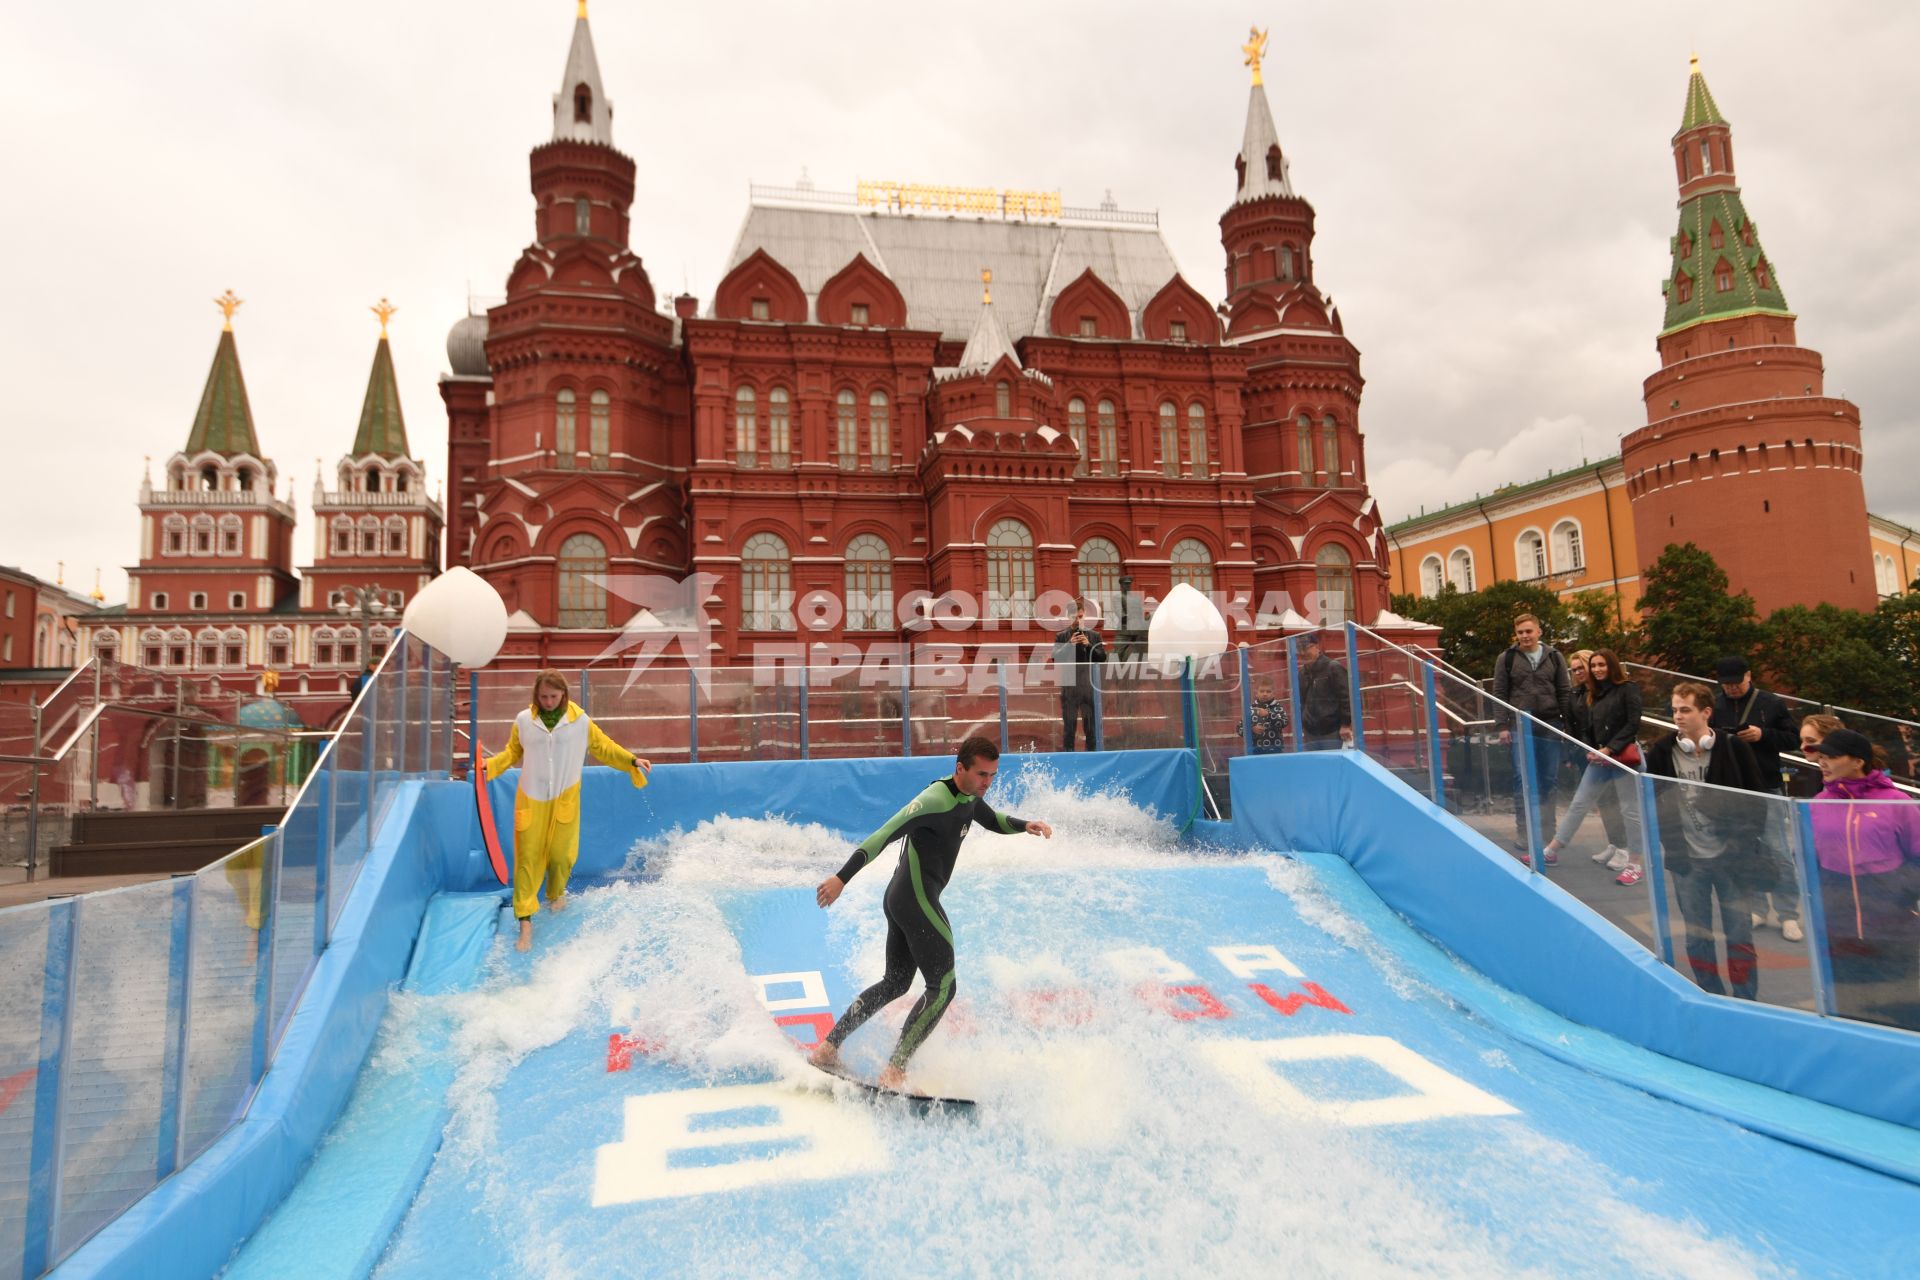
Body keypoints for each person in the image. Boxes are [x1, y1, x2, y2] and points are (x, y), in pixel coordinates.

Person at [810, 736, 1053, 1089]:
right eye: (982, 774)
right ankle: (894, 1072)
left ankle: (827, 1049)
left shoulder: (969, 795)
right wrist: (841, 878)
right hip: (914, 901)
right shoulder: (934, 800)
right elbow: (884, 834)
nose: (987, 782)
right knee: (943, 987)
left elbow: (990, 818)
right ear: (960, 769)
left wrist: (1023, 824)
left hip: (901, 899)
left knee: (895, 983)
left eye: (992, 775)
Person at [485, 670, 651, 951]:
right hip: (531, 799)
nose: (548, 701)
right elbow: (512, 752)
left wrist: (632, 760)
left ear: (563, 694)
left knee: (562, 856)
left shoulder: (580, 722)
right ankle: (525, 924)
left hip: (565, 799)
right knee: (528, 860)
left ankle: (555, 893)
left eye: (553, 696)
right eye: (543, 696)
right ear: (536, 696)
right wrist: (488, 768)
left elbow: (604, 747)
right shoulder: (524, 721)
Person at [1646, 681, 1772, 999]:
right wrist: (1672, 846)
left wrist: (1740, 844)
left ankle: (1746, 998)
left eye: (1685, 710)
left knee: (1739, 933)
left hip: (1732, 858)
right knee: (1696, 936)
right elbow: (1658, 804)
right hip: (1687, 861)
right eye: (1674, 710)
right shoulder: (1662, 752)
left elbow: (1757, 800)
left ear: (1706, 712)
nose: (1678, 716)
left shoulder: (1733, 748)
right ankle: (1711, 995)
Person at [1806, 727, 1920, 1030]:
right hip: (1837, 927)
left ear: (1858, 761)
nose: (1823, 763)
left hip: (1894, 930)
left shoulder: (1897, 802)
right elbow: (1808, 860)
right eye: (1821, 757)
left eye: (1832, 757)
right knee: (1847, 1009)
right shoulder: (1818, 803)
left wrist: (1899, 891)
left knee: (1905, 1009)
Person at [1712, 656, 1804, 941]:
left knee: (1777, 850)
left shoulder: (1771, 703)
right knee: (1744, 851)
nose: (1732, 689)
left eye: (1736, 683)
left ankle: (1788, 914)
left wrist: (1762, 734)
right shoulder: (1715, 704)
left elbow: (1793, 738)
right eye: (1726, 685)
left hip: (1767, 784)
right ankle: (1758, 909)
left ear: (1749, 676)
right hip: (1733, 787)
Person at [1542, 649, 1642, 875]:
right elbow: (1582, 727)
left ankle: (1634, 860)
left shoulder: (1627, 688)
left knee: (1628, 809)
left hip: (1622, 756)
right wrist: (1586, 750)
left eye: (1600, 665)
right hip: (1597, 757)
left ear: (1611, 666)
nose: (1595, 670)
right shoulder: (1588, 694)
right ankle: (1552, 849)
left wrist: (1609, 748)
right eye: (1593, 666)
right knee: (1581, 803)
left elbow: (1632, 723)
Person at [1491, 613, 1574, 855]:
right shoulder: (1506, 659)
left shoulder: (1555, 657)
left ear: (1539, 632)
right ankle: (1525, 833)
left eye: (1529, 631)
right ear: (1516, 635)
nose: (1525, 636)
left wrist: (1568, 726)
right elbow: (1499, 693)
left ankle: (1548, 835)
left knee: (1549, 780)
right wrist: (1502, 726)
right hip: (1519, 724)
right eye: (1520, 632)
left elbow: (1564, 692)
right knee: (1523, 780)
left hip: (1550, 724)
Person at [1052, 602, 1106, 751]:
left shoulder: (1094, 636)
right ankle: (1069, 760)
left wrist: (1089, 645)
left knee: (1091, 731)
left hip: (1089, 688)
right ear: (1068, 617)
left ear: (1085, 616)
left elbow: (1102, 658)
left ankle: (1092, 759)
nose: (1077, 620)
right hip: (1069, 689)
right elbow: (1055, 659)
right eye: (1074, 617)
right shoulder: (1062, 636)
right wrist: (1069, 644)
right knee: (1069, 730)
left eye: (1080, 617)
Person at [1297, 632, 1353, 751]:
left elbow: (1347, 697)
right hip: (1310, 731)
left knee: (1332, 766)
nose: (1302, 653)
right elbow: (1301, 701)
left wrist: (1346, 725)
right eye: (1300, 649)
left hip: (1332, 730)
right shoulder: (1302, 673)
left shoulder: (1333, 667)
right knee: (1315, 767)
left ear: (1317, 647)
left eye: (1306, 648)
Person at [1789, 713, 1848, 799]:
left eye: (1811, 741)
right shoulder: (1821, 773)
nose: (1802, 747)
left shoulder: (1846, 778)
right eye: (1802, 740)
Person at [1248, 674, 1288, 754]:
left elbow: (1284, 723)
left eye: (1268, 691)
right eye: (1262, 691)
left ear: (1273, 693)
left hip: (1275, 749)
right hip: (1256, 750)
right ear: (1256, 693)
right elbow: (1240, 728)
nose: (1265, 694)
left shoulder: (1278, 707)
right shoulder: (1251, 709)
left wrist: (1269, 715)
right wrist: (1252, 729)